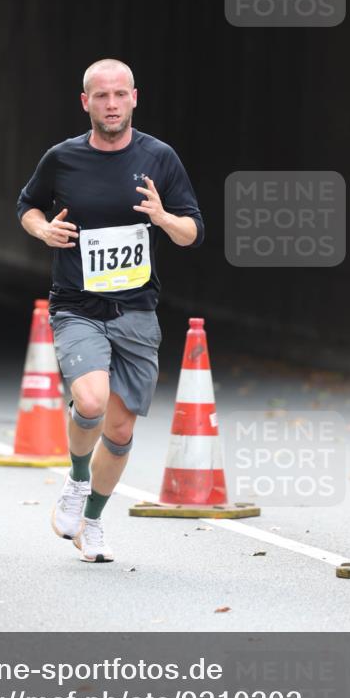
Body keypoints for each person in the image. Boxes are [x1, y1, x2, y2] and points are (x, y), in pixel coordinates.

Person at [17, 58, 204, 562]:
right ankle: (77, 482)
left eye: (120, 94)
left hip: (137, 312)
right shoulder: (62, 158)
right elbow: (27, 205)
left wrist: (163, 217)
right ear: (86, 102)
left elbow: (192, 232)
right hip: (77, 305)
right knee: (93, 402)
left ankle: (93, 520)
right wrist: (43, 230)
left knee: (120, 430)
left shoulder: (160, 157)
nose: (112, 104)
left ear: (135, 98)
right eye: (101, 96)